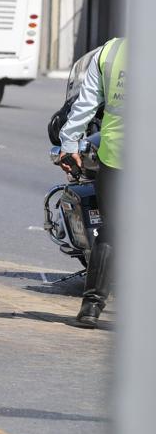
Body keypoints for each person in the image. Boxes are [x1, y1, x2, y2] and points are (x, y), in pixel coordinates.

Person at [59, 35, 125, 328]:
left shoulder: (111, 51)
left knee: (112, 231)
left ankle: (91, 307)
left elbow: (85, 104)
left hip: (116, 155)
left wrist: (69, 143)